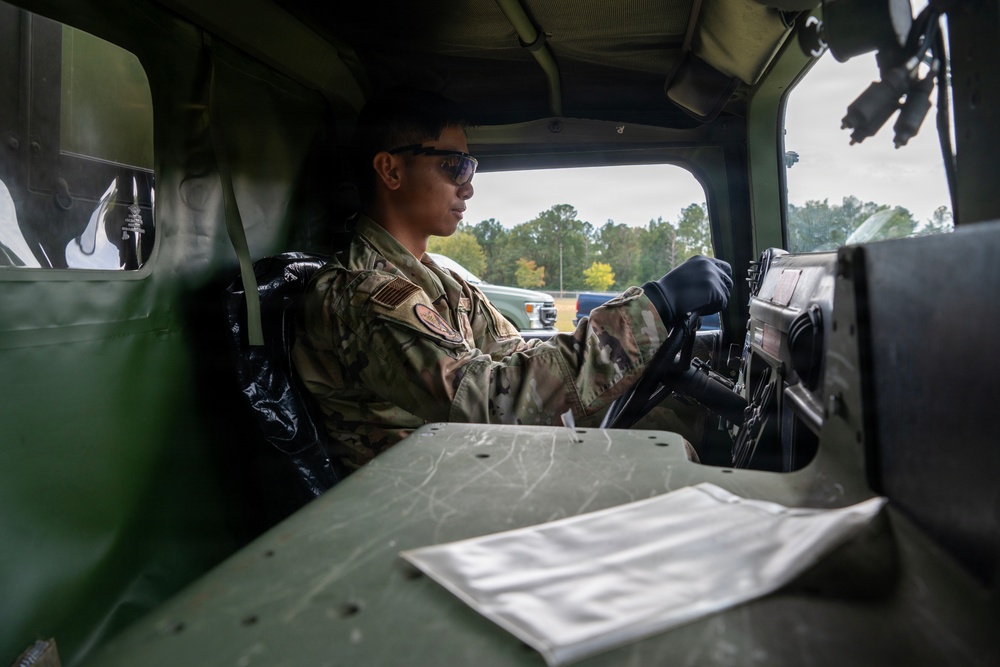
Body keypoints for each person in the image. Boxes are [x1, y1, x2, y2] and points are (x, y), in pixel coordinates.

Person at [292, 88, 732, 472]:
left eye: (470, 168)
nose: (468, 188)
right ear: (390, 170)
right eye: (454, 166)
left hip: (464, 462)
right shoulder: (364, 293)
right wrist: (652, 306)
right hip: (419, 495)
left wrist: (651, 336)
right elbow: (486, 402)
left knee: (675, 424)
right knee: (673, 465)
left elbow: (515, 354)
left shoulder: (441, 282)